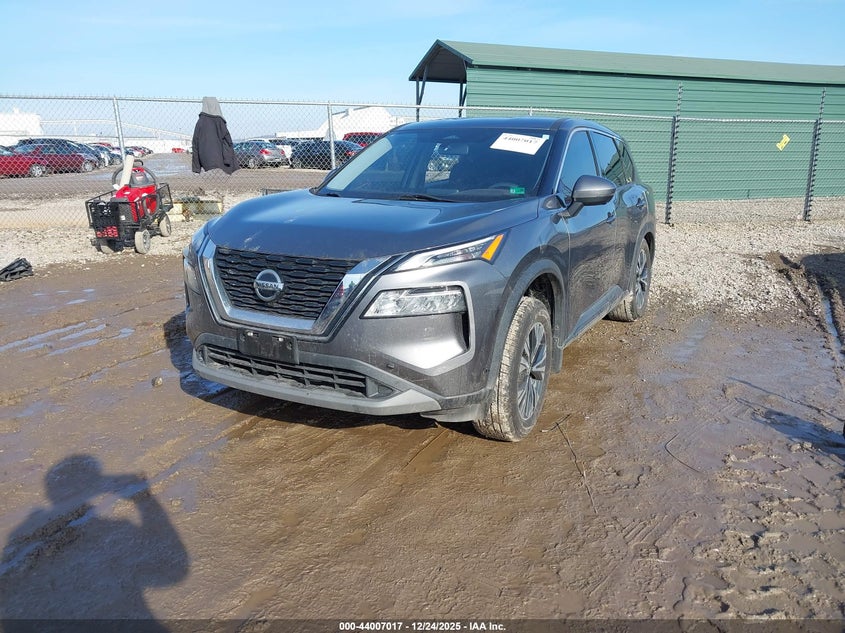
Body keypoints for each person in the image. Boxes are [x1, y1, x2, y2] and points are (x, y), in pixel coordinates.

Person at [191, 96, 237, 174]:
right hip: (221, 160)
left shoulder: (201, 121)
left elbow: (195, 143)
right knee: (221, 180)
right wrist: (229, 159)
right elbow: (228, 141)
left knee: (209, 180)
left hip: (205, 160)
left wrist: (196, 168)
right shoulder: (220, 121)